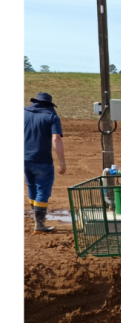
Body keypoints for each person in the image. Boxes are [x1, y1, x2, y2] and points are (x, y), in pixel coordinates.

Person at [24, 92, 66, 234]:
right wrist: (62, 162)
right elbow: (56, 139)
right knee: (42, 189)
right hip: (42, 159)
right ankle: (40, 224)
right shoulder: (52, 117)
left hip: (25, 158)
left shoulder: (23, 113)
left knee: (32, 187)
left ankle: (37, 221)